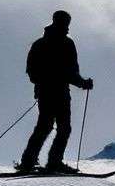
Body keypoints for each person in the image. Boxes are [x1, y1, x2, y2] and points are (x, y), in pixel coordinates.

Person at [18, 10, 94, 173]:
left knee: (45, 126)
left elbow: (31, 72)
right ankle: (53, 162)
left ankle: (29, 162)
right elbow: (71, 72)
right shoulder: (67, 44)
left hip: (47, 92)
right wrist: (83, 83)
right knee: (61, 127)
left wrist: (43, 82)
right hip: (58, 92)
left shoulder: (40, 43)